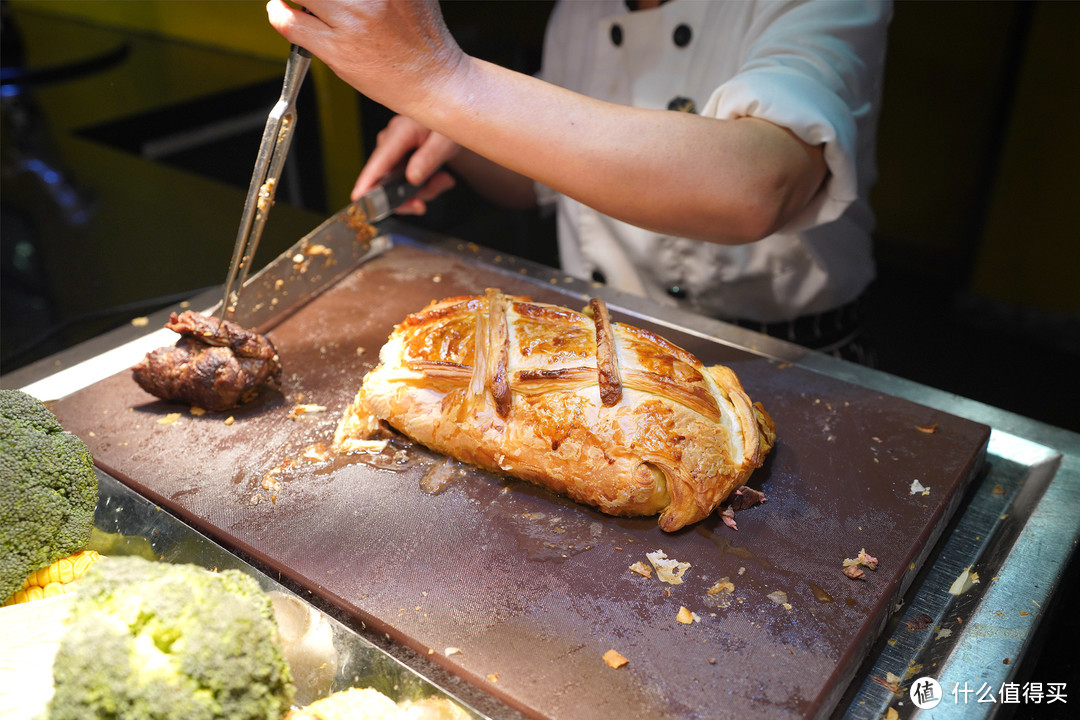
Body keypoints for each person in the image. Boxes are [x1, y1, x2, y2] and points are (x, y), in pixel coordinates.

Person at [267, 0, 892, 363]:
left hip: (792, 360)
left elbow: (758, 188)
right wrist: (455, 131)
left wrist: (446, 84)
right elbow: (540, 183)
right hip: (604, 347)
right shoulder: (584, 10)